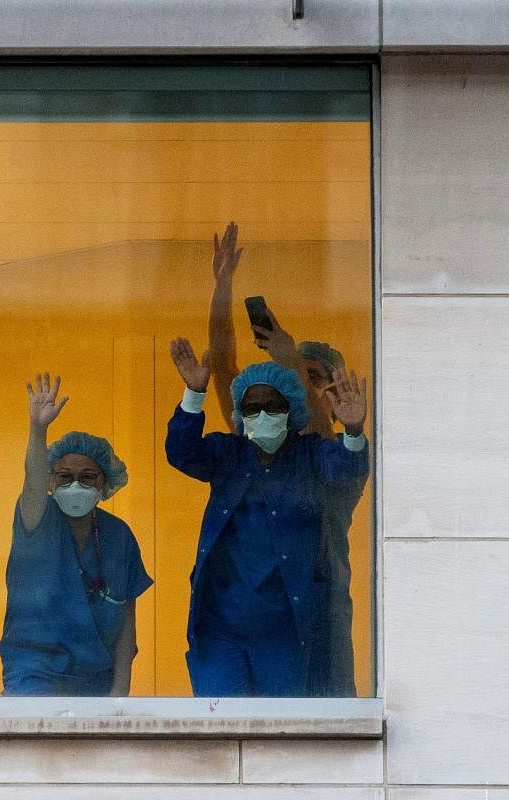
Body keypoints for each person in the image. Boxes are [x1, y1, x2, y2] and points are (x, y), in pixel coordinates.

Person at [206, 221, 367, 697]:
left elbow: (318, 425)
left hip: (318, 612)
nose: (302, 383)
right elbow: (222, 366)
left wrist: (292, 356)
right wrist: (222, 286)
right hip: (249, 620)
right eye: (299, 376)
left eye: (315, 377)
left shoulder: (337, 455)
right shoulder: (253, 437)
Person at [165, 337, 369, 697]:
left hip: (285, 628)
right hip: (220, 628)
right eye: (253, 408)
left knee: (279, 731)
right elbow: (182, 452)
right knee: (221, 724)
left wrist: (353, 432)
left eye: (273, 406)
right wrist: (194, 393)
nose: (263, 415)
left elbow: (346, 472)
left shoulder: (310, 454)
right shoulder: (229, 453)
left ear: (292, 411)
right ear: (240, 416)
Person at [0, 374, 152, 696]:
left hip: (96, 678)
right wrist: (38, 430)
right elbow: (33, 478)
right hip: (34, 672)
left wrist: (120, 689)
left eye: (87, 477)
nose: (75, 485)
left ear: (104, 484)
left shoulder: (118, 536)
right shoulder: (37, 519)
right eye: (65, 477)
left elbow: (126, 618)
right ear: (52, 483)